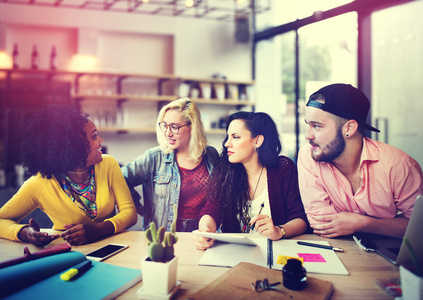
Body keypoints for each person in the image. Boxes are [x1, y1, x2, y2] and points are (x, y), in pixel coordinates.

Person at [298, 83, 423, 239]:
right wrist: (388, 225)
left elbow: (418, 228)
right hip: (339, 250)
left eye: (317, 126)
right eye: (308, 125)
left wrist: (364, 224)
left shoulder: (399, 166)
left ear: (349, 128)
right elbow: (323, 225)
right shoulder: (309, 155)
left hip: (391, 258)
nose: (307, 136)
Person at [0, 105, 137, 246]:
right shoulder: (39, 183)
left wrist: (99, 230)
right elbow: (1, 220)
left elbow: (129, 212)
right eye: (94, 136)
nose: (101, 141)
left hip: (112, 248)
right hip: (68, 252)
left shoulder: (109, 164)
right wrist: (25, 233)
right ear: (73, 147)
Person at [194, 111, 309, 250]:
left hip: (276, 252)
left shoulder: (283, 168)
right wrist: (205, 230)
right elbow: (212, 208)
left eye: (235, 137)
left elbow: (300, 218)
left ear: (257, 141)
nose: (227, 144)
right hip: (235, 253)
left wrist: (279, 231)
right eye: (228, 137)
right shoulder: (225, 169)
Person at [121, 98, 219, 232]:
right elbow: (120, 178)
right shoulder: (154, 157)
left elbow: (218, 198)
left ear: (192, 127)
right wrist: (136, 205)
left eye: (174, 127)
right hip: (164, 236)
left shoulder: (211, 155)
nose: (167, 133)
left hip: (203, 233)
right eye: (165, 126)